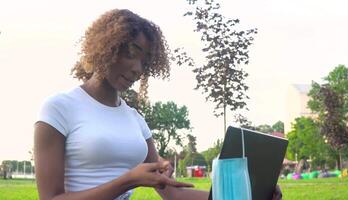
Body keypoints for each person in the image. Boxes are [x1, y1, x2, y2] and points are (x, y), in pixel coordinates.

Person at [34, 9, 281, 200]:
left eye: (146, 61)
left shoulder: (134, 119)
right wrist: (129, 180)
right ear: (106, 49)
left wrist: (246, 195)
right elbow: (51, 198)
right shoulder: (59, 108)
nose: (138, 69)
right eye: (131, 54)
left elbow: (173, 193)